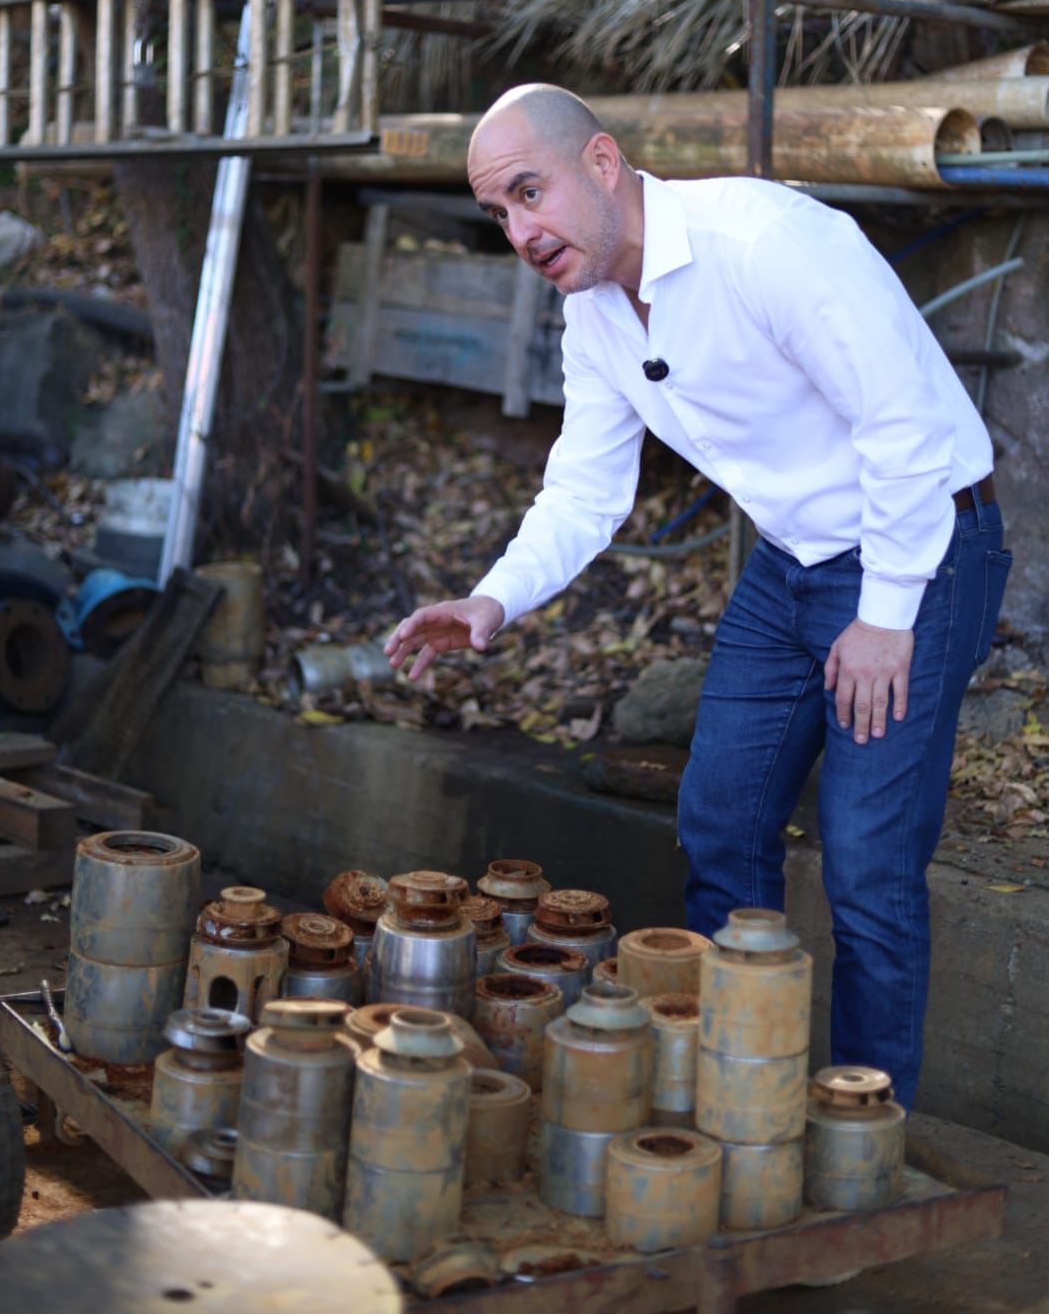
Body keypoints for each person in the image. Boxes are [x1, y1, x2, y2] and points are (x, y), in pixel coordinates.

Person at [384, 83, 1011, 1110]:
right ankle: (741, 1098)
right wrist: (492, 601)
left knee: (866, 863)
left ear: (600, 163)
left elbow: (903, 427)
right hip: (793, 557)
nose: (520, 231)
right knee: (719, 817)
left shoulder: (764, 240)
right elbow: (586, 488)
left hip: (922, 543)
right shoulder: (593, 312)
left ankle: (866, 1125)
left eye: (529, 193)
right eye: (500, 213)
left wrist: (885, 614)